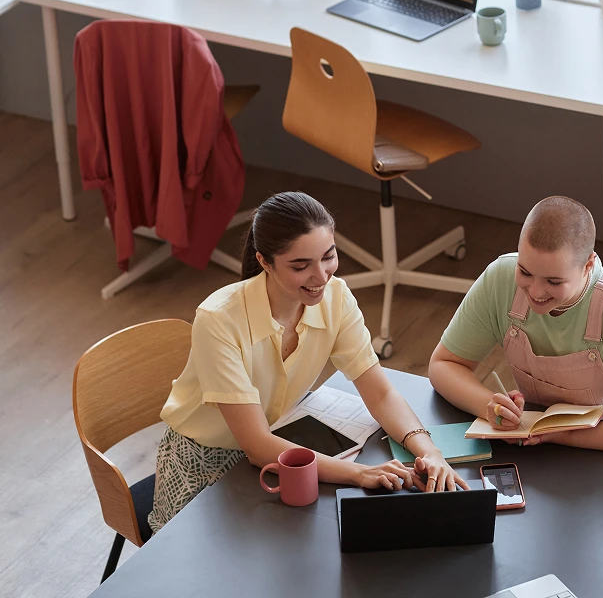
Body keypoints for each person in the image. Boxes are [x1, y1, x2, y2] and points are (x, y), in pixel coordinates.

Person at [148, 192, 466, 534]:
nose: (321, 277)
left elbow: (381, 394)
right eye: (300, 266)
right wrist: (360, 474)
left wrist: (428, 450)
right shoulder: (219, 320)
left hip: (281, 441)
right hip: (205, 461)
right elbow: (256, 446)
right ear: (264, 261)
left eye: (328, 257)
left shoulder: (336, 296)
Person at [428, 196, 603, 451]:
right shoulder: (500, 279)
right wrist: (492, 407)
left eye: (553, 282)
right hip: (538, 449)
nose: (535, 292)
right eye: (525, 272)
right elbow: (444, 364)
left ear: (588, 264)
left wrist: (563, 435)